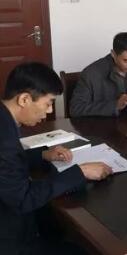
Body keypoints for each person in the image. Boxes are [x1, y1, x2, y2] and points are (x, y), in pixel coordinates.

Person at [0, 63, 112, 254]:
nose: (49, 110)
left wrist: (42, 154)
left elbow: (8, 161)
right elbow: (23, 199)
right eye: (48, 103)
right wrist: (80, 171)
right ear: (24, 99)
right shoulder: (5, 139)